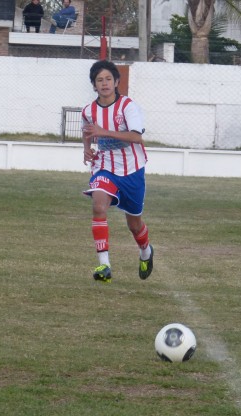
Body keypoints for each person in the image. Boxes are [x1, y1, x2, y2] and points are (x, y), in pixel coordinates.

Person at [81, 60, 153, 284]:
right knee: (98, 205)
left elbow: (136, 136)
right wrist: (86, 149)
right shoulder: (88, 111)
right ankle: (104, 264)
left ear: (116, 82)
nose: (104, 84)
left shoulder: (128, 106)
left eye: (108, 79)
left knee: (134, 224)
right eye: (99, 80)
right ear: (94, 85)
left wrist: (105, 132)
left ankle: (146, 252)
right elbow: (87, 132)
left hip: (132, 171)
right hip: (104, 167)